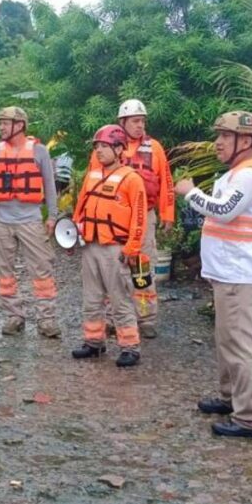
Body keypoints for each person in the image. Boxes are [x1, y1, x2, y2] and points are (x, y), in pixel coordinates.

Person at [175, 111, 252, 439]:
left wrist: (190, 192)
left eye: (225, 136)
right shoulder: (236, 173)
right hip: (230, 272)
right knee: (228, 340)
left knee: (242, 344)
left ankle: (250, 418)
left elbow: (223, 211)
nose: (217, 142)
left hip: (242, 274)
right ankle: (231, 398)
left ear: (245, 141)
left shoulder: (250, 175)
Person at [88, 100, 174, 339]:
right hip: (113, 219)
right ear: (122, 122)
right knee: (111, 268)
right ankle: (114, 318)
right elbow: (91, 184)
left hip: (145, 216)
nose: (140, 126)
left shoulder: (154, 148)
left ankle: (145, 317)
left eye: (143, 121)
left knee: (142, 268)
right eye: (135, 121)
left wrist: (167, 214)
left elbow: (166, 182)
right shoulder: (105, 148)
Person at [0, 106, 61, 338]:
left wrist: (52, 216)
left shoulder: (40, 151)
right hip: (1, 221)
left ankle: (46, 319)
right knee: (4, 271)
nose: (0, 127)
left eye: (5, 123)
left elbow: (50, 187)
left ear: (20, 125)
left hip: (30, 221)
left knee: (41, 269)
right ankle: (14, 316)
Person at [72, 125, 147, 367]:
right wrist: (72, 235)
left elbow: (139, 218)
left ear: (119, 149)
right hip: (91, 245)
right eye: (97, 147)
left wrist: (132, 248)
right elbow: (80, 209)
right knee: (91, 298)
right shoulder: (92, 175)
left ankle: (130, 347)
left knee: (119, 299)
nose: (99, 151)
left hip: (116, 248)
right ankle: (93, 342)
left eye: (104, 146)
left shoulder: (131, 179)